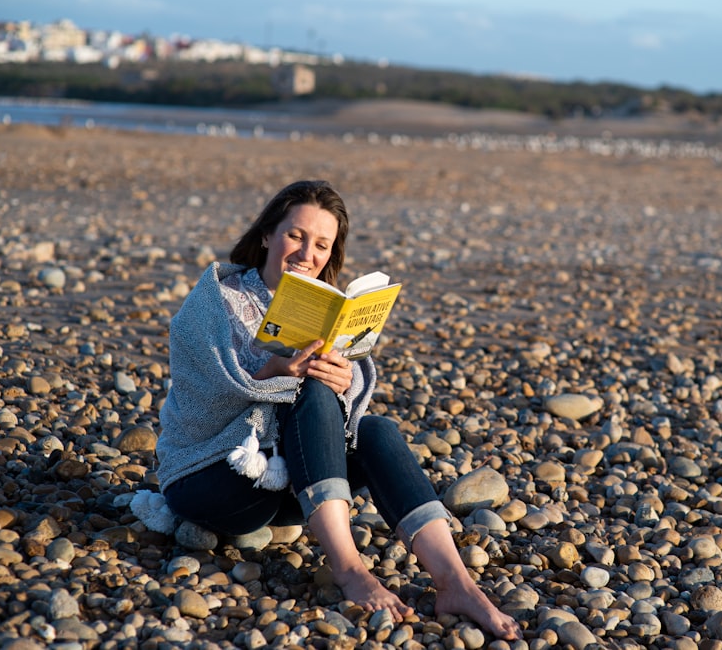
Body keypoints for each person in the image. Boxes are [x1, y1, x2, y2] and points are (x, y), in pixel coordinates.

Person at [154, 180, 521, 640]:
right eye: (295, 236)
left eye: (322, 244)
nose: (307, 254)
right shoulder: (215, 300)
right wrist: (276, 371)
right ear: (267, 234)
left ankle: (456, 583)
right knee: (305, 390)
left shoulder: (327, 311)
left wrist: (344, 383)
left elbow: (339, 421)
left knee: (377, 430)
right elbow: (200, 400)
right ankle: (349, 570)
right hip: (207, 477)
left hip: (284, 481)